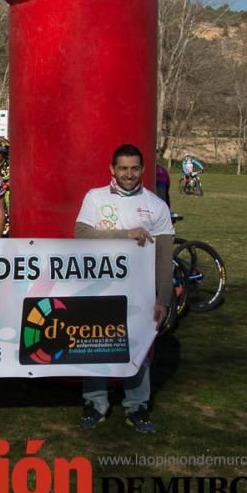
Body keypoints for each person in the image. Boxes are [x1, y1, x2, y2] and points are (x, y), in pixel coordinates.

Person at [75, 143, 174, 433]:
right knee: (94, 344)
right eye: (123, 168)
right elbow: (81, 235)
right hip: (99, 287)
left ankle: (137, 406)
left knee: (138, 348)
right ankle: (95, 402)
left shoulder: (156, 206)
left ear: (143, 170)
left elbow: (164, 257)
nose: (128, 174)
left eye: (134, 168)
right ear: (112, 169)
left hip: (140, 293)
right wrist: (124, 235)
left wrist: (164, 299)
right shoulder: (95, 198)